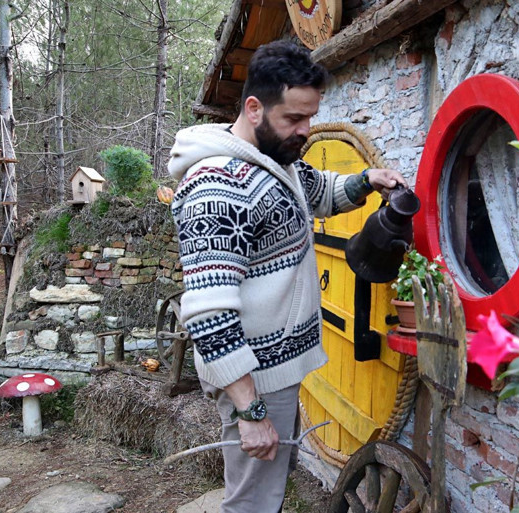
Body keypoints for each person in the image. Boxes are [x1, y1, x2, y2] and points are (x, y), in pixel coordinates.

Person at [167, 40, 406, 512]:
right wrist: (250, 411)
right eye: (294, 119)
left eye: (310, 117)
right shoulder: (216, 187)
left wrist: (367, 181)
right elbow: (208, 314)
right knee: (253, 502)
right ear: (254, 108)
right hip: (253, 378)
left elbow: (318, 191)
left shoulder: (278, 162)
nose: (306, 131)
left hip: (274, 373)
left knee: (268, 492)